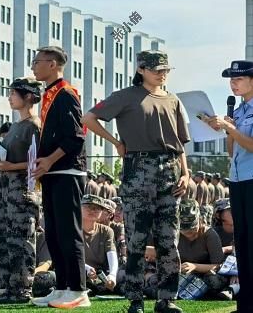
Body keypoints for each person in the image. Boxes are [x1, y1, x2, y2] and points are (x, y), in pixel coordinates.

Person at [82, 50, 190, 313]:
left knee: (169, 240)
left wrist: (186, 173)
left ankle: (166, 299)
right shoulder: (125, 96)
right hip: (138, 169)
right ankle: (135, 299)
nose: (162, 74)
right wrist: (115, 142)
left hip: (170, 171)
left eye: (165, 70)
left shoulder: (173, 100)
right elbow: (88, 118)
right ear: (141, 69)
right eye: (156, 70)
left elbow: (180, 144)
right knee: (136, 239)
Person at [204, 60, 253, 313]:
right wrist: (228, 129)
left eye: (238, 79)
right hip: (238, 181)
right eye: (231, 80)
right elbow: (232, 151)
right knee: (243, 245)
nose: (233, 84)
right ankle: (245, 304)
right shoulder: (239, 111)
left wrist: (230, 127)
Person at [30, 46, 89, 309]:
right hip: (51, 172)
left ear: (52, 64)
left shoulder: (65, 94)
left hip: (67, 171)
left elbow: (75, 137)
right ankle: (62, 287)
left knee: (68, 232)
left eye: (37, 62)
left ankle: (78, 290)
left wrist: (49, 160)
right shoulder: (49, 94)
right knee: (53, 233)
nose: (33, 67)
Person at [0, 77, 42, 305]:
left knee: (21, 239)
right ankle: (9, 287)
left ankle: (22, 289)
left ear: (28, 96)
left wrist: (11, 166)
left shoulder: (34, 125)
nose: (9, 97)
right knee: (4, 238)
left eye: (13, 93)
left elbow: (39, 161)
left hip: (22, 189)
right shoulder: (15, 126)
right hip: (4, 187)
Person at [177, 199, 231, 300]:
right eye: (185, 230)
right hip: (181, 274)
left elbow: (219, 266)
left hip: (204, 275)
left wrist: (194, 266)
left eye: (192, 229)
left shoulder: (210, 235)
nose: (189, 234)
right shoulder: (173, 234)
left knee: (214, 280)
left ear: (199, 220)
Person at [80, 194, 119, 295]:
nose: (92, 210)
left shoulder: (107, 231)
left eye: (97, 208)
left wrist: (112, 275)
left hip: (101, 273)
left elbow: (111, 253)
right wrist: (87, 269)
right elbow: (70, 256)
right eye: (88, 206)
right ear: (80, 208)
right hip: (78, 269)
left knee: (124, 276)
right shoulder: (73, 230)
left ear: (101, 212)